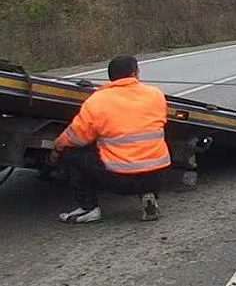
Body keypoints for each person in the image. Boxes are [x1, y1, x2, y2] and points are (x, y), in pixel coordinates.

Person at [50, 55, 171, 223]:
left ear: (111, 77)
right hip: (157, 175)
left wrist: (57, 147)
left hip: (120, 180)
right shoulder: (156, 95)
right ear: (136, 74)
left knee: (71, 152)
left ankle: (88, 208)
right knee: (146, 147)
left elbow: (76, 138)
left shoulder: (97, 101)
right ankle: (148, 195)